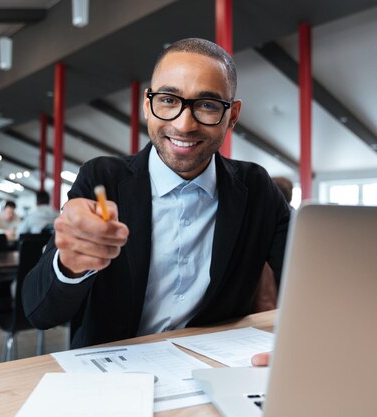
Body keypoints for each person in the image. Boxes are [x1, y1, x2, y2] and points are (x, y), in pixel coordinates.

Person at [22, 38, 290, 349]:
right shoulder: (103, 179)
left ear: (232, 115)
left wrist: (294, 349)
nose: (184, 124)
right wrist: (70, 262)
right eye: (168, 100)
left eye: (207, 105)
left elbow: (314, 280)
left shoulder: (256, 188)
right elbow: (38, 312)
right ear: (148, 105)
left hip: (214, 370)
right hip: (114, 374)